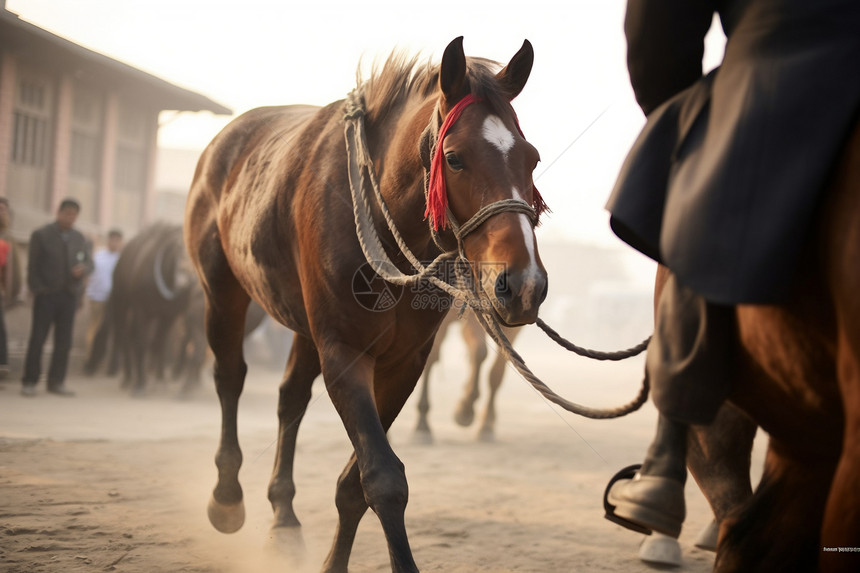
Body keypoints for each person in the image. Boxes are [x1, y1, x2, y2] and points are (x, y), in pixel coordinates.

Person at [603, 0, 860, 538]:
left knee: (694, 157)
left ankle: (666, 456)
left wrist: (677, 108)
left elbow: (658, 29)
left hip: (780, 60)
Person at [21, 198, 93, 396]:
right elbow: (32, 266)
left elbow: (89, 262)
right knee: (38, 339)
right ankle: (29, 381)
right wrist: (38, 289)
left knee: (64, 342)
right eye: (67, 213)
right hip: (46, 296)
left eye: (74, 214)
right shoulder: (42, 235)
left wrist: (83, 269)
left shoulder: (80, 238)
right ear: (59, 212)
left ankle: (56, 382)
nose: (70, 217)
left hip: (69, 296)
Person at [85, 228, 123, 358]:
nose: (115, 243)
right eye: (113, 240)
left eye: (118, 241)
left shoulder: (122, 259)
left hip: (114, 300)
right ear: (108, 241)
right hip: (97, 298)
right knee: (95, 328)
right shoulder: (99, 256)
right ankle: (90, 356)